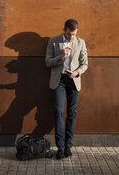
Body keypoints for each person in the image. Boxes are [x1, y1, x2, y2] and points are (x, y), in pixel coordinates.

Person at [45, 19, 88, 159]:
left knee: (72, 113)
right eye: (69, 34)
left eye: (74, 34)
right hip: (59, 81)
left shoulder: (80, 42)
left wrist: (77, 72)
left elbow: (85, 64)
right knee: (58, 111)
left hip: (73, 80)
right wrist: (61, 56)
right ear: (64, 30)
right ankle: (60, 147)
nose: (71, 37)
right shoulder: (53, 41)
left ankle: (68, 145)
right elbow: (47, 62)